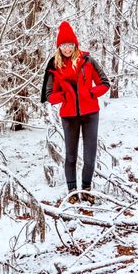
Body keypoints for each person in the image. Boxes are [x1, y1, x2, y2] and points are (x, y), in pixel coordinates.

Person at [41, 21, 110, 204]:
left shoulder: (88, 62)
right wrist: (64, 96)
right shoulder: (54, 67)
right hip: (69, 117)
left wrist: (90, 92)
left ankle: (87, 190)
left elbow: (105, 83)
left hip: (90, 115)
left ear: (75, 44)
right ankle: (72, 192)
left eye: (70, 44)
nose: (67, 48)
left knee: (89, 157)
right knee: (71, 156)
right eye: (63, 45)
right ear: (59, 47)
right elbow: (49, 95)